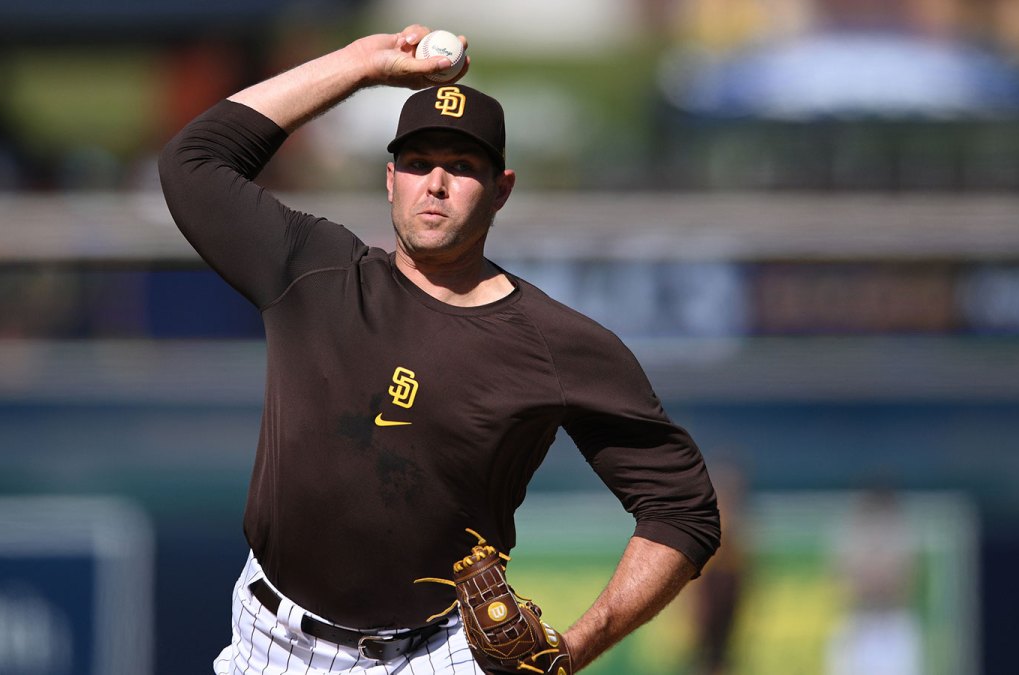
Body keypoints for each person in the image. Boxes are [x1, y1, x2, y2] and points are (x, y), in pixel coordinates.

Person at [158, 23, 720, 675]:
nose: (437, 183)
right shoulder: (314, 271)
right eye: (419, 163)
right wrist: (359, 65)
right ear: (390, 178)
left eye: (462, 166)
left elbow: (683, 510)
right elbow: (191, 162)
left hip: (437, 653)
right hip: (271, 642)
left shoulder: (556, 344)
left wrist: (572, 649)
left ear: (501, 189)